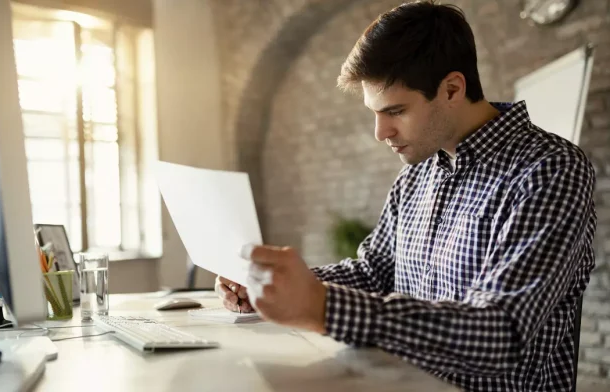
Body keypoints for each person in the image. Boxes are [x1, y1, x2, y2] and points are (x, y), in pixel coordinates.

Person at [215, 1, 596, 391]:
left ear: (452, 89)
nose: (381, 132)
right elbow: (374, 272)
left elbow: (501, 332)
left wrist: (325, 307)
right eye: (375, 112)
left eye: (395, 110)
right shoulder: (414, 177)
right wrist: (276, 286)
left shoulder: (550, 169)